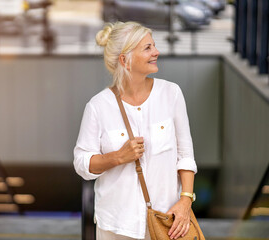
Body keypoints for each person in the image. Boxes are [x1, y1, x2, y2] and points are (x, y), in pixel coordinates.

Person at [73, 21, 197, 240]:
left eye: (154, 46)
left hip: (166, 223)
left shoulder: (171, 94)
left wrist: (185, 200)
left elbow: (185, 156)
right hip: (115, 226)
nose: (156, 52)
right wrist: (117, 157)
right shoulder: (98, 106)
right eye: (147, 48)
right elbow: (82, 163)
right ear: (124, 60)